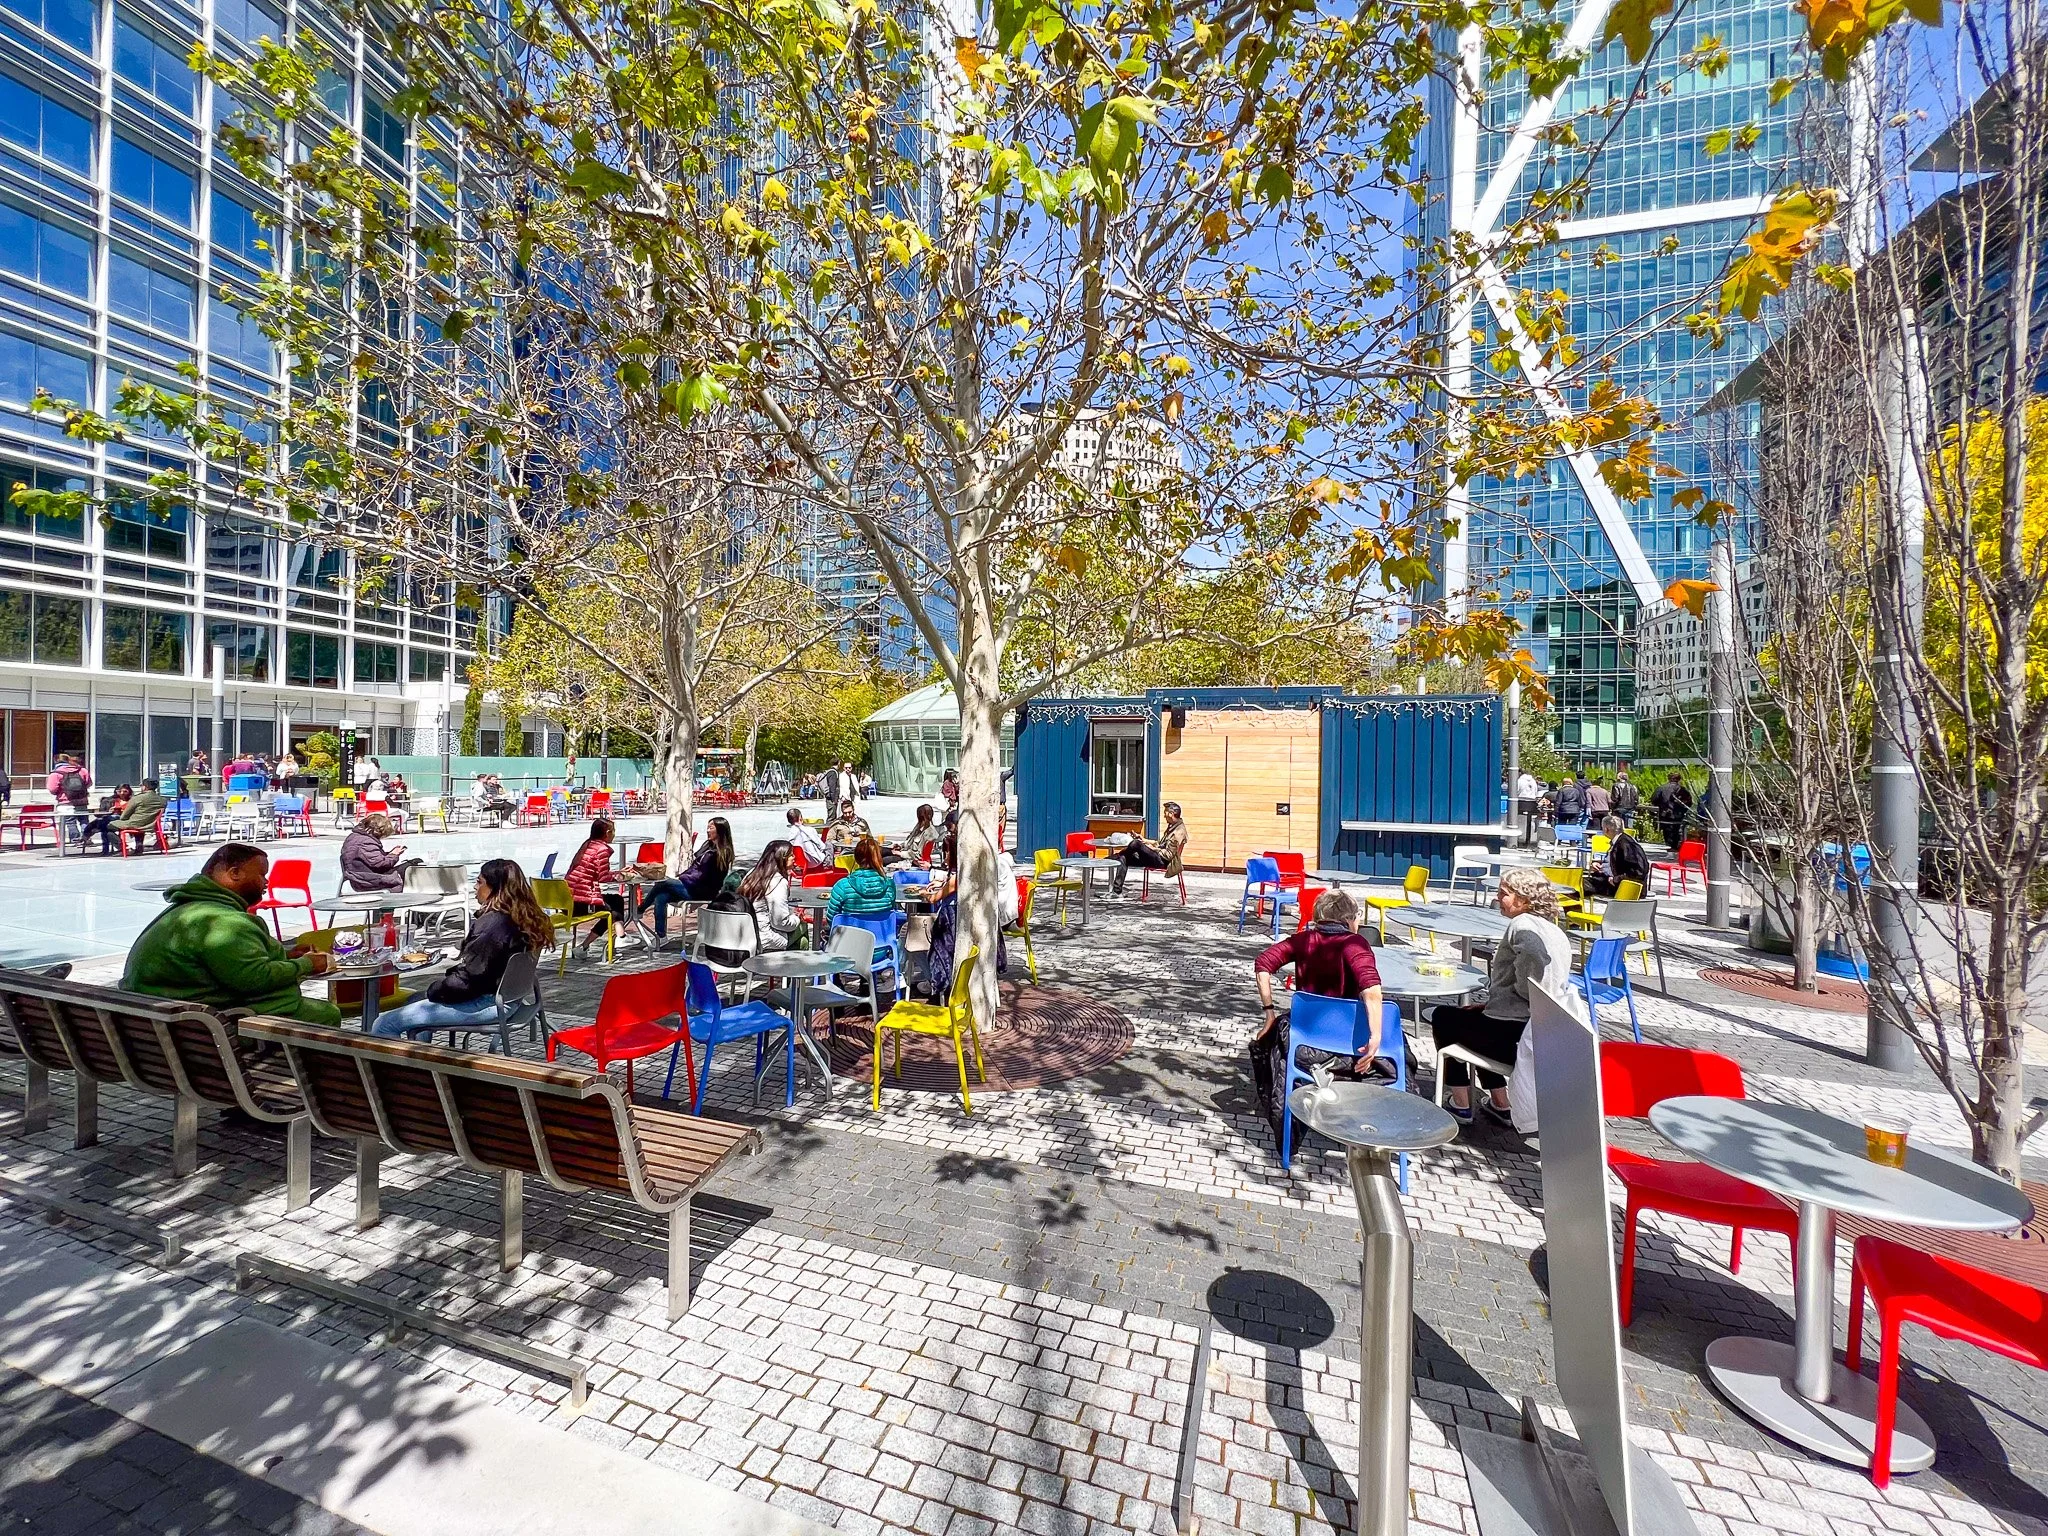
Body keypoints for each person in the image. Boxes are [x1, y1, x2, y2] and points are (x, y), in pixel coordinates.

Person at [123, 843, 342, 1027]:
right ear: (234, 873)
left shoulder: (183, 911)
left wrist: (285, 956)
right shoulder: (224, 922)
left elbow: (227, 964)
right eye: (261, 874)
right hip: (208, 1031)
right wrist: (306, 964)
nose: (266, 882)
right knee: (325, 1014)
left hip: (158, 1027)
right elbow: (254, 979)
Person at [1427, 867, 1574, 1124]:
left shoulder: (1523, 924)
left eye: (1504, 893)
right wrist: (1494, 1004)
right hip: (1534, 1031)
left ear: (1524, 899)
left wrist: (1526, 991)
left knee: (1443, 1017)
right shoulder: (1555, 930)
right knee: (1472, 1019)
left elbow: (1534, 960)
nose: (1497, 898)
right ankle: (1500, 1102)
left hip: (1511, 1036)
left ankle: (1461, 1103)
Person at [1248, 889, 1389, 1150]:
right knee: (1398, 1048)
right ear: (1349, 918)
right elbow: (1371, 987)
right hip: (1351, 1048)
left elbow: (1263, 963)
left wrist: (1269, 1012)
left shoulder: (1302, 940)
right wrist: (1376, 1035)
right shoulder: (1355, 944)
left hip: (1306, 1043)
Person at [372, 860, 553, 1038]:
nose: (474, 887)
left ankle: (392, 1059)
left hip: (488, 1004)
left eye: (479, 882)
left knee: (384, 1024)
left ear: (496, 888)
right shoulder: (526, 919)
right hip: (511, 999)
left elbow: (468, 982)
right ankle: (422, 1055)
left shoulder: (491, 927)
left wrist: (435, 989)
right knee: (414, 999)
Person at [642, 817, 735, 944]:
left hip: (702, 890)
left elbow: (702, 876)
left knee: (662, 883)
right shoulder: (707, 846)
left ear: (720, 830)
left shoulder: (722, 853)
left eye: (711, 827)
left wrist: (681, 879)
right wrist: (681, 877)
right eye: (707, 827)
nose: (708, 830)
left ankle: (640, 910)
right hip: (690, 885)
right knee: (661, 897)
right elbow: (694, 868)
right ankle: (661, 936)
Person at [566, 817, 623, 955]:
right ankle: (620, 937)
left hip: (567, 900)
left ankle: (620, 935)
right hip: (581, 902)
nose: (614, 834)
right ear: (607, 833)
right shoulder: (602, 849)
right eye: (613, 831)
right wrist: (619, 876)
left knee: (616, 901)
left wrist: (616, 873)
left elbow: (596, 873)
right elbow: (604, 878)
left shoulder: (587, 845)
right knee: (613, 910)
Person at [1108, 801, 1189, 895]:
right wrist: (1144, 840)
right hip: (1158, 857)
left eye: (1165, 813)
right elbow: (1160, 844)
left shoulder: (1178, 832)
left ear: (1171, 814)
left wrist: (1152, 849)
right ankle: (1116, 892)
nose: (1164, 816)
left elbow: (1168, 855)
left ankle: (1113, 858)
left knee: (1136, 844)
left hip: (1163, 861)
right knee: (1124, 858)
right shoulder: (1173, 826)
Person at [737, 841, 802, 954]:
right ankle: (792, 962)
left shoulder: (752, 874)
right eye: (791, 855)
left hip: (745, 934)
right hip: (765, 938)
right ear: (781, 858)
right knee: (802, 931)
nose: (794, 857)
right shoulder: (778, 882)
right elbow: (780, 922)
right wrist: (797, 918)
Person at [827, 836, 897, 918]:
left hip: (849, 926)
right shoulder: (889, 885)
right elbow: (889, 911)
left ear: (856, 859)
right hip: (882, 926)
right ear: (879, 858)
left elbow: (832, 918)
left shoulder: (842, 886)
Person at [90, 781, 166, 856]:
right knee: (138, 823)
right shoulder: (162, 800)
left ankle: (122, 847)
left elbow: (124, 816)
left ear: (145, 787)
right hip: (152, 825)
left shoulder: (137, 798)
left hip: (134, 824)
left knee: (106, 826)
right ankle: (139, 848)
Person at [1585, 813, 1649, 900]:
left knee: (1578, 885)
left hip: (1624, 887)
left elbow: (1639, 871)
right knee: (1581, 884)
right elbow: (1617, 862)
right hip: (1614, 881)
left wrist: (1616, 879)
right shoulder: (1620, 841)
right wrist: (1600, 865)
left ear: (1606, 829)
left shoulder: (1625, 844)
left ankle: (1573, 907)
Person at [341, 813, 410, 893]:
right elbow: (381, 864)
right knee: (407, 870)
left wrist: (390, 853)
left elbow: (372, 859)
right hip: (367, 880)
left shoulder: (355, 837)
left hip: (359, 877)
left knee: (409, 866)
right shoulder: (366, 842)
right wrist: (393, 855)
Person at [1649, 771, 1694, 850]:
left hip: (1665, 815)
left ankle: (1669, 847)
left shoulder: (1661, 788)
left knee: (1667, 832)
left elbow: (1654, 800)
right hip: (1678, 815)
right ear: (1679, 779)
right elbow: (1689, 803)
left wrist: (1661, 806)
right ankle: (1675, 847)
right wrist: (1682, 810)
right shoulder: (1683, 790)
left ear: (1669, 778)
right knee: (1677, 831)